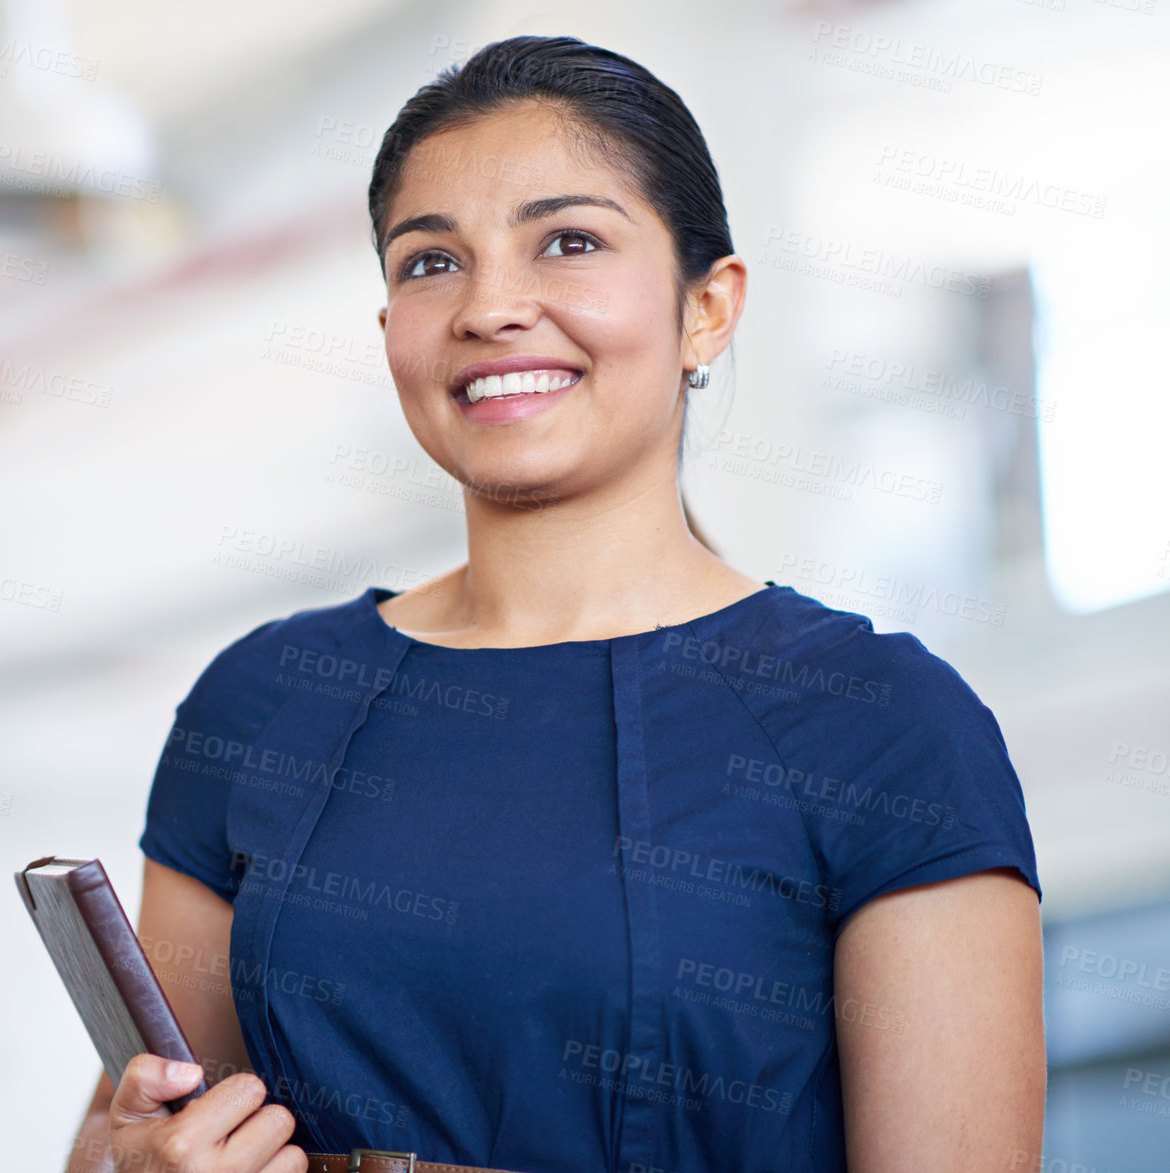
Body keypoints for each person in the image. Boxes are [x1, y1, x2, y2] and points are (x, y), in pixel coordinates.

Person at [65, 35, 1044, 1173]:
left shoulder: (878, 722)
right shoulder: (264, 700)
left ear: (706, 307)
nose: (490, 307)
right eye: (429, 263)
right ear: (388, 330)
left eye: (567, 242)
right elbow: (143, 1130)